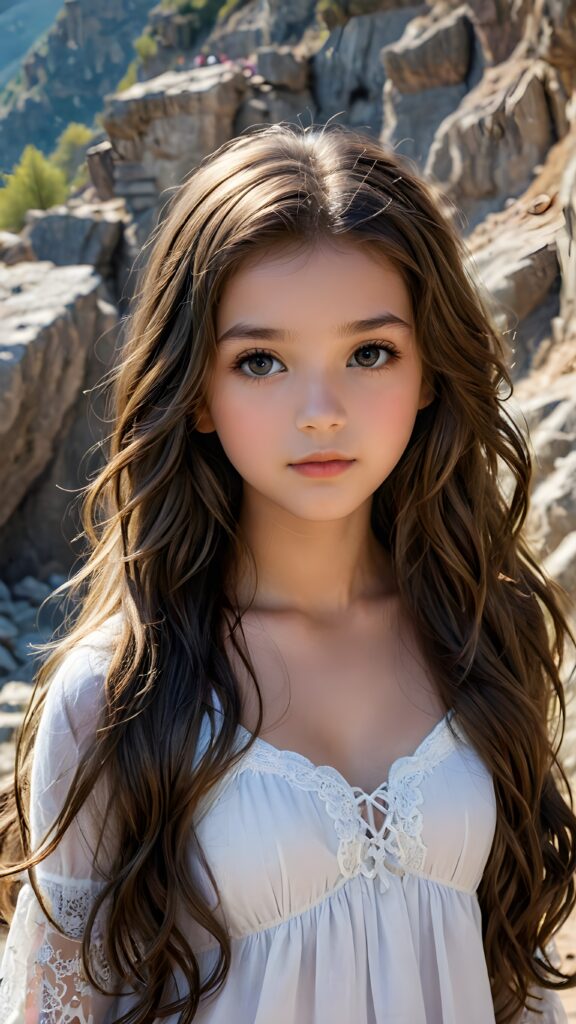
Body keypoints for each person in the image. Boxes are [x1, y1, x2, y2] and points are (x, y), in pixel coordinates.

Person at [0, 121, 574, 1024]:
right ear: (195, 393)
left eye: (369, 353)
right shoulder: (116, 696)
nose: (321, 412)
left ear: (430, 372)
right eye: (260, 361)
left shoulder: (482, 629)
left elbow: (519, 986)